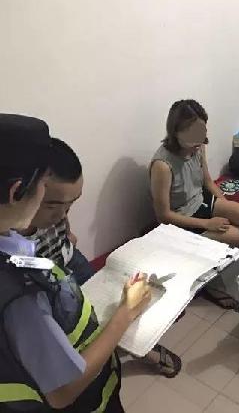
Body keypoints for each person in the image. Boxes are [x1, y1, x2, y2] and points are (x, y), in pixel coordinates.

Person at [0, 113, 151, 412]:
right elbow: (64, 391)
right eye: (44, 188)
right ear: (17, 191)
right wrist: (126, 312)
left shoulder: (19, 253)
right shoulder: (21, 290)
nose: (61, 214)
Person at [150, 99, 239, 307]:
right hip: (183, 222)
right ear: (175, 131)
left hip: (202, 203)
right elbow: (163, 216)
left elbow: (208, 182)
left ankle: (231, 262)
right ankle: (226, 281)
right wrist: (208, 224)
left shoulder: (198, 146)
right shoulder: (162, 165)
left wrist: (226, 206)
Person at [19, 138, 95, 285]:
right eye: (52, 206)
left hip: (68, 259)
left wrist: (68, 236)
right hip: (38, 279)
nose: (62, 215)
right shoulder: (9, 233)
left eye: (71, 203)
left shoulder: (59, 211)